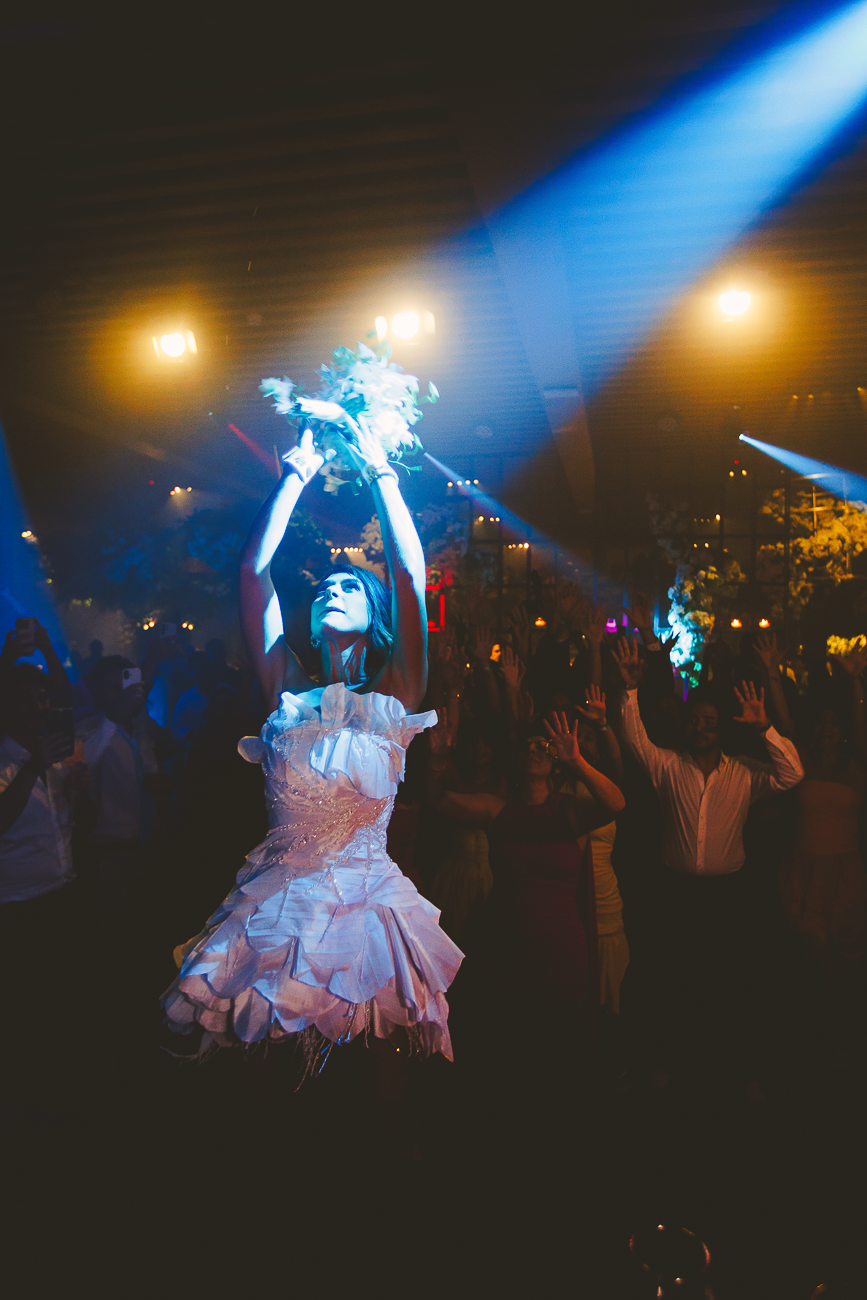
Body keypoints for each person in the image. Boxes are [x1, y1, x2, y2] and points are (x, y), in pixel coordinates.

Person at [162, 418, 463, 1061]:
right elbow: (252, 572)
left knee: (377, 1087)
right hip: (275, 908)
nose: (333, 590)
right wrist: (296, 472)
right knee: (261, 1078)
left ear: (374, 614)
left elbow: (409, 576)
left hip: (368, 909)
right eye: (325, 587)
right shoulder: (286, 688)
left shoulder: (397, 693)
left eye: (350, 586)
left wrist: (381, 472)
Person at [613, 636, 804, 1095]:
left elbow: (793, 774)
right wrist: (631, 690)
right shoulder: (668, 766)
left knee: (730, 984)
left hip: (727, 896)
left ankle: (738, 1070)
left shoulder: (744, 772)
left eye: (709, 723)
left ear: (722, 730)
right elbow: (634, 738)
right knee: (671, 980)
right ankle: (666, 1064)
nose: (699, 728)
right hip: (675, 891)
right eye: (695, 721)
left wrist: (765, 728)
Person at [424, 709, 625, 1082]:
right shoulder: (497, 809)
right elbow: (436, 800)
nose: (533, 750)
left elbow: (616, 804)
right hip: (505, 949)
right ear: (516, 760)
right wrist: (437, 759)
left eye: (542, 746)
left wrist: (578, 763)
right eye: (527, 746)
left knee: (557, 1057)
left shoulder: (568, 811)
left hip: (561, 954)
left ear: (555, 761)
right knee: (508, 1053)